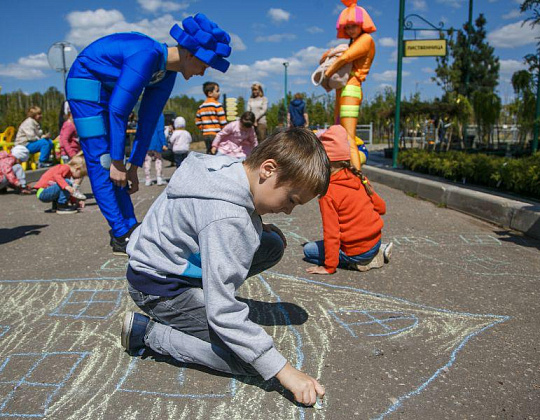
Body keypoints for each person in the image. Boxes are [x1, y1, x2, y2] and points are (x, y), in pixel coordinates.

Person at [121, 127, 329, 407]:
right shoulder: (227, 220)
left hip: (162, 263)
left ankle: (204, 293)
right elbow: (224, 313)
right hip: (159, 287)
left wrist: (257, 223)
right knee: (254, 361)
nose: (289, 210)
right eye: (291, 200)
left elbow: (211, 216)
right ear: (268, 169)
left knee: (269, 243)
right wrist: (284, 371)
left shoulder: (227, 166)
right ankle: (148, 333)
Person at [66, 13, 232, 255]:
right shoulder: (147, 55)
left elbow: (148, 120)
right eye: (203, 65)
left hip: (110, 94)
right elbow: (118, 110)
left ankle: (130, 226)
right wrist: (116, 161)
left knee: (118, 167)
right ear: (189, 54)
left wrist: (132, 165)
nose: (202, 73)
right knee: (102, 162)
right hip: (86, 83)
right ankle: (120, 233)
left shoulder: (168, 74)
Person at [303, 125, 392, 274]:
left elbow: (332, 234)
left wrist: (328, 267)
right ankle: (377, 251)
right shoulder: (359, 177)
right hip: (376, 241)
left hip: (358, 252)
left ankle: (363, 262)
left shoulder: (328, 192)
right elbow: (382, 208)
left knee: (309, 250)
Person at [320, 0, 376, 170]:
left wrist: (328, 74)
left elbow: (345, 58)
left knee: (349, 135)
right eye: (348, 26)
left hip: (351, 89)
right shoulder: (354, 41)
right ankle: (347, 171)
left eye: (354, 25)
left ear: (362, 24)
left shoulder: (366, 39)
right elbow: (327, 58)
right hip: (343, 89)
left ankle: (357, 177)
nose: (351, 29)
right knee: (341, 134)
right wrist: (330, 54)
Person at [195, 82, 227, 153]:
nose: (219, 93)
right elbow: (223, 122)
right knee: (217, 152)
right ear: (210, 93)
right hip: (216, 134)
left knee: (209, 151)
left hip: (206, 134)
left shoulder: (201, 106)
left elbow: (197, 122)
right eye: (217, 91)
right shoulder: (217, 105)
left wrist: (203, 128)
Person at [144, 114, 168, 186]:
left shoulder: (145, 114)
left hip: (147, 142)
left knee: (147, 161)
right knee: (158, 160)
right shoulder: (159, 115)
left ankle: (147, 179)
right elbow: (160, 131)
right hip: (157, 141)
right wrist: (164, 143)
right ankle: (159, 178)